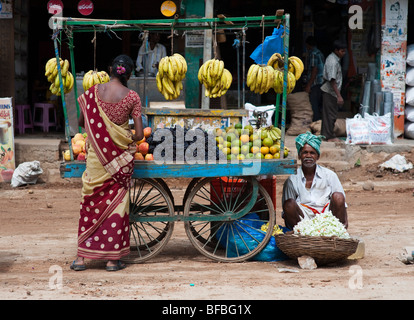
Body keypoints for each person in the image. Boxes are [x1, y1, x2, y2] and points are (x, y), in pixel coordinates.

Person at [70, 54, 144, 272]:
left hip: (95, 161)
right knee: (117, 207)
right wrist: (123, 138)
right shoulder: (132, 97)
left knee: (90, 204)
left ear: (110, 68)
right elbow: (139, 134)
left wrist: (102, 134)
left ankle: (81, 259)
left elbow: (83, 123)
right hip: (120, 162)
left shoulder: (92, 93)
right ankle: (112, 261)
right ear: (129, 74)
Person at [282, 132, 348, 230]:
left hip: (327, 216)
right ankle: (303, 235)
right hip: (303, 220)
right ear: (299, 156)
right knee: (289, 204)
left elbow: (342, 205)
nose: (308, 156)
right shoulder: (292, 180)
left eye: (312, 153)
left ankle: (337, 232)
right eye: (305, 152)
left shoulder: (329, 175)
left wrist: (344, 224)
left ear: (318, 156)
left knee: (338, 196)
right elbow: (287, 212)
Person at [320, 40, 347, 142]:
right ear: (336, 50)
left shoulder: (335, 59)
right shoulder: (332, 61)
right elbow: (332, 80)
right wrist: (339, 95)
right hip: (330, 92)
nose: (343, 53)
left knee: (329, 114)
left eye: (344, 51)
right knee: (330, 115)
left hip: (331, 91)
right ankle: (329, 136)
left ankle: (326, 135)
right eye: (342, 51)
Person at [304, 36, 325, 122]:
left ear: (308, 45)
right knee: (318, 104)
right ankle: (318, 124)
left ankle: (316, 124)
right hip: (321, 82)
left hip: (315, 83)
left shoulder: (313, 53)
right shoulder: (319, 53)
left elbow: (314, 69)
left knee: (314, 105)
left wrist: (308, 85)